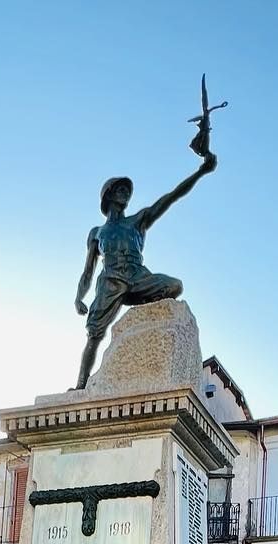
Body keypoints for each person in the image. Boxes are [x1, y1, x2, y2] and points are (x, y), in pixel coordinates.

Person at [72, 147, 217, 391]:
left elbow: (171, 197)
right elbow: (88, 271)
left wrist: (201, 171)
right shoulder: (97, 233)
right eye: (120, 190)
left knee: (174, 285)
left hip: (138, 276)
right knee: (94, 334)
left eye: (127, 191)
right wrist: (79, 297)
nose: (125, 194)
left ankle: (147, 329)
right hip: (110, 280)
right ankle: (80, 385)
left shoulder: (137, 221)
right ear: (108, 196)